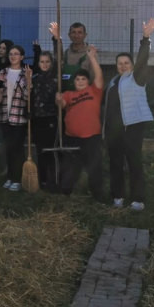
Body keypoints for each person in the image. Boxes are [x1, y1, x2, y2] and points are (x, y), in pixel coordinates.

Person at [104, 19, 154, 211]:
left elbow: (142, 60)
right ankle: (117, 196)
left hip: (132, 127)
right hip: (114, 130)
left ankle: (138, 200)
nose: (123, 65)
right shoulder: (113, 82)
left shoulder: (137, 78)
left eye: (126, 63)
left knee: (134, 162)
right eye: (120, 63)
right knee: (115, 163)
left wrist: (146, 39)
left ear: (132, 65)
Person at [56, 45, 105, 200]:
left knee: (94, 166)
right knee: (70, 166)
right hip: (72, 137)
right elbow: (62, 105)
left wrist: (92, 58)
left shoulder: (94, 91)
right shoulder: (68, 94)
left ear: (88, 81)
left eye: (83, 79)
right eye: (77, 79)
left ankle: (97, 194)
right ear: (74, 82)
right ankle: (66, 192)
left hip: (92, 137)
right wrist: (58, 100)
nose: (81, 81)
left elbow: (99, 76)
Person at [0, 44, 30, 191]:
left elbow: (28, 96)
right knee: (9, 148)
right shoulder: (3, 72)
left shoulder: (25, 72)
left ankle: (18, 179)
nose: (13, 56)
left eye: (16, 54)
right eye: (11, 54)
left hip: (19, 116)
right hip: (5, 115)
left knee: (17, 149)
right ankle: (10, 177)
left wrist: (28, 81)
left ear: (22, 57)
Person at [30, 36, 60, 190]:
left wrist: (56, 40)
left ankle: (53, 180)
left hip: (50, 118)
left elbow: (58, 56)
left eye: (47, 62)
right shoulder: (35, 78)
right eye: (42, 62)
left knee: (50, 150)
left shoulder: (54, 76)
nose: (45, 64)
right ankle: (41, 180)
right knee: (40, 150)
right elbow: (30, 97)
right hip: (37, 119)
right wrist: (29, 112)